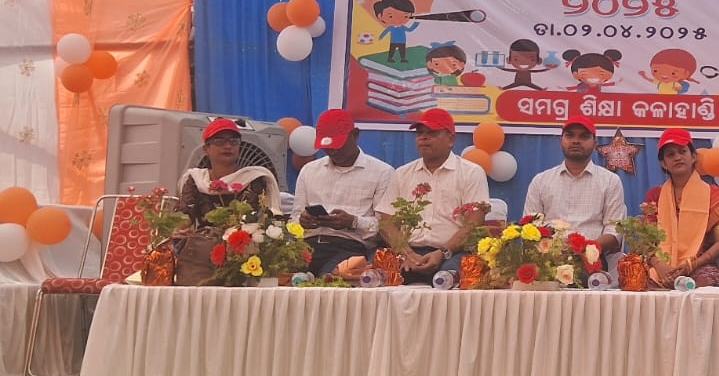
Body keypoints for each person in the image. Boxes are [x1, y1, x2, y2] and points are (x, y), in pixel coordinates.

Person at [376, 108, 490, 283]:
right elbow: (386, 221)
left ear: (451, 139)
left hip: (452, 253)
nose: (423, 138)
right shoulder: (402, 174)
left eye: (432, 133)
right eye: (420, 133)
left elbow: (475, 223)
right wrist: (407, 253)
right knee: (374, 280)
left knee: (446, 280)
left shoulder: (471, 172)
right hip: (408, 252)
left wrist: (442, 253)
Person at [293, 109, 395, 278]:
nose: (333, 151)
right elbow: (294, 218)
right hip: (307, 245)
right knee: (282, 278)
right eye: (327, 147)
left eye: (338, 145)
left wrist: (353, 222)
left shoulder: (381, 172)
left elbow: (386, 227)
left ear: (355, 135)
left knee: (330, 281)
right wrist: (302, 220)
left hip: (350, 247)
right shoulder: (309, 170)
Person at [642, 129, 719, 287]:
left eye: (682, 151)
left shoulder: (713, 195)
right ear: (663, 163)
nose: (677, 157)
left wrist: (691, 265)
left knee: (707, 280)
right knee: (638, 280)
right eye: (670, 154)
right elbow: (647, 242)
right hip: (662, 265)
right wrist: (660, 266)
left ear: (693, 157)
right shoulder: (655, 196)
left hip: (699, 263)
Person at [522, 113, 625, 262]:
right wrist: (552, 251)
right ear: (561, 141)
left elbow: (614, 233)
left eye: (584, 136)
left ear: (595, 144)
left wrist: (585, 249)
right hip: (548, 260)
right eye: (570, 135)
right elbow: (529, 228)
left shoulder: (610, 181)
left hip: (592, 261)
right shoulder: (541, 181)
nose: (576, 141)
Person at [177, 118, 281, 224]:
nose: (228, 146)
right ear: (206, 148)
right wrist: (181, 228)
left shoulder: (253, 179)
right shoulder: (197, 179)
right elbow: (185, 215)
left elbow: (255, 218)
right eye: (220, 141)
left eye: (234, 141)